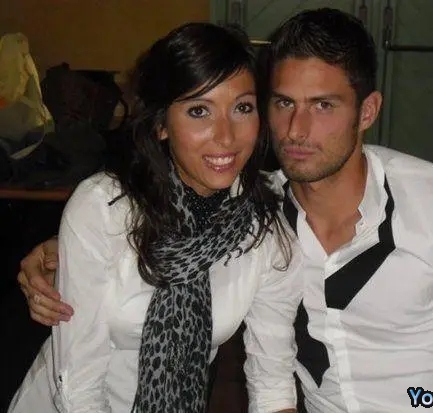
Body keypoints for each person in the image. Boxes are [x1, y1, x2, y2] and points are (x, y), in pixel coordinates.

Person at [18, 8, 433, 412]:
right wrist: (69, 251)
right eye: (284, 103)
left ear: (367, 111)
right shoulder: (259, 212)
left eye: (323, 105)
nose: (296, 130)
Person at [10, 22, 301, 413]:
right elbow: (79, 389)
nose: (226, 136)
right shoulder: (103, 210)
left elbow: (273, 384)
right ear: (162, 124)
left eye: (242, 108)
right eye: (199, 111)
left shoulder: (263, 229)